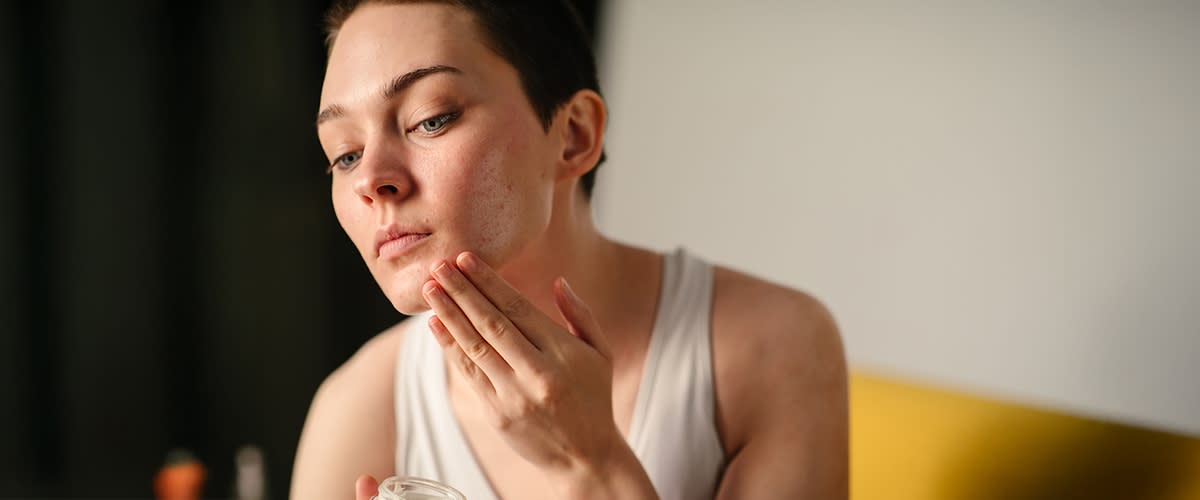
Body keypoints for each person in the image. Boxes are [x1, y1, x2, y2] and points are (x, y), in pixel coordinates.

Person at [291, 1, 849, 499]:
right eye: (345, 154)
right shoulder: (355, 411)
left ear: (575, 134)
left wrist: (592, 465)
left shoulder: (772, 347)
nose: (371, 180)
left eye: (430, 119)